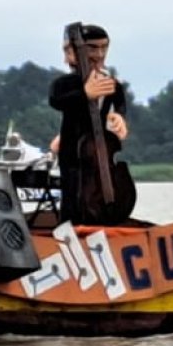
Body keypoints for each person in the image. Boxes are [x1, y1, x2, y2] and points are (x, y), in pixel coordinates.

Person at [48, 24, 129, 224]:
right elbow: (56, 100)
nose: (100, 54)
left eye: (104, 48)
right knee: (74, 191)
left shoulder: (110, 83)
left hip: (102, 149)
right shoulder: (65, 83)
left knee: (108, 185)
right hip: (74, 150)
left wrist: (119, 116)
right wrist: (85, 94)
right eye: (93, 48)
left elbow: (119, 103)